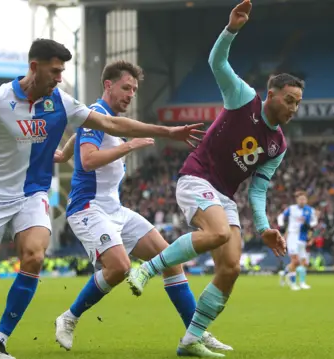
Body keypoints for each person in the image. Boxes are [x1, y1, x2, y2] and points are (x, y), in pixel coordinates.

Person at [0, 39, 203, 359]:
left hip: (32, 195)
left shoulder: (60, 102)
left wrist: (167, 132)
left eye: (62, 71)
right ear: (34, 68)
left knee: (34, 255)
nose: (60, 78)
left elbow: (110, 123)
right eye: (55, 71)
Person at [126, 0, 303, 356]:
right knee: (218, 232)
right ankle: (148, 269)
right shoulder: (243, 98)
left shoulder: (278, 145)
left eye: (298, 103)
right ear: (272, 95)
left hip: (223, 195)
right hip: (196, 177)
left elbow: (258, 189)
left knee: (231, 267)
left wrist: (265, 226)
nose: (293, 108)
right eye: (289, 100)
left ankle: (191, 338)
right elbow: (216, 62)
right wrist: (231, 29)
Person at [52, 60, 231, 352]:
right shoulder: (99, 114)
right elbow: (88, 160)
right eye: (126, 87)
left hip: (114, 209)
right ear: (108, 85)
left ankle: (194, 334)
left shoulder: (102, 117)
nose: (130, 94)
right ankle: (69, 317)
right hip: (87, 208)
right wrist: (128, 146)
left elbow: (83, 131)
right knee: (120, 267)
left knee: (171, 260)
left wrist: (63, 151)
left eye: (134, 89)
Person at [279, 191, 317, 290]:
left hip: (303, 238)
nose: (302, 201)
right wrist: (282, 226)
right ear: (297, 200)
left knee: (304, 262)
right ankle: (293, 283)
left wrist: (310, 227)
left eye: (304, 199)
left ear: (306, 200)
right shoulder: (291, 209)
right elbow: (281, 217)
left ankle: (299, 281)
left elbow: (314, 222)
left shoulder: (310, 210)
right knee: (295, 261)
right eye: (300, 199)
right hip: (292, 237)